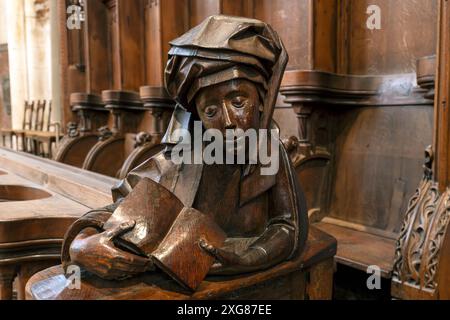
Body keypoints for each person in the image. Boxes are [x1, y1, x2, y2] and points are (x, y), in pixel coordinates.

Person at [62, 15, 309, 281]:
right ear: (198, 118)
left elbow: (288, 227)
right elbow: (119, 211)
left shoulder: (271, 155)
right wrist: (82, 246)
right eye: (211, 110)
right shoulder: (183, 159)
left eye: (238, 101)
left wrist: (250, 256)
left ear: (260, 100)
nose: (227, 122)